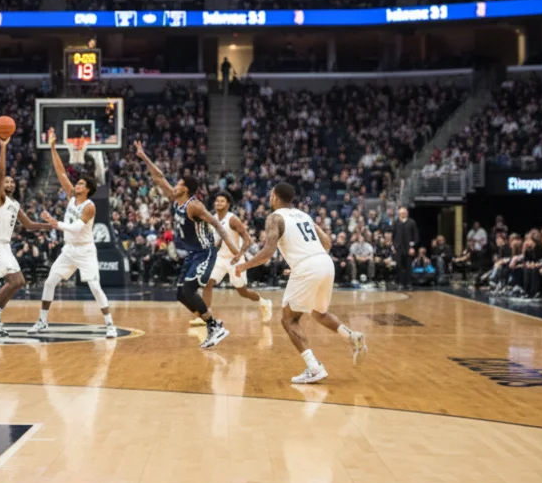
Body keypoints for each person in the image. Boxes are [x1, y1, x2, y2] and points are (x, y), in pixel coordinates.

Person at [235, 182, 368, 383]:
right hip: (325, 263)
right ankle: (351, 336)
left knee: (289, 320)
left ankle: (314, 368)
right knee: (318, 312)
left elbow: (268, 251)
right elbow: (327, 242)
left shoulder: (275, 217)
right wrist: (308, 261)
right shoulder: (304, 215)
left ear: (274, 197)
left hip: (308, 267)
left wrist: (245, 266)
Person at [135, 140, 238, 349]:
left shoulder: (195, 206)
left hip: (204, 252)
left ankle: (213, 326)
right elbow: (159, 178)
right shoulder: (176, 200)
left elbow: (217, 225)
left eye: (179, 184)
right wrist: (143, 156)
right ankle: (213, 323)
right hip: (192, 254)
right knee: (181, 294)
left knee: (190, 290)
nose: (174, 186)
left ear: (186, 189)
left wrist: (235, 250)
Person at [30, 129, 117, 337]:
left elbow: (77, 227)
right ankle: (42, 321)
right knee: (50, 282)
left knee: (95, 286)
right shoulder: (71, 196)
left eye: (81, 183)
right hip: (69, 250)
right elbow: (61, 172)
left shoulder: (90, 206)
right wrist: (52, 147)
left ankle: (110, 325)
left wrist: (56, 223)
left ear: (87, 189)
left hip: (85, 251)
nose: (76, 184)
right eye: (77, 183)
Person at [0, 133, 54, 338]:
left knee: (19, 282)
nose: (10, 183)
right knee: (13, 281)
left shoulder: (15, 204)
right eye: (7, 181)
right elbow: (0, 172)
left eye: (12, 182)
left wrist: (49, 226)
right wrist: (3, 147)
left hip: (4, 246)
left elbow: (28, 225)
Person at [196, 190, 272, 324]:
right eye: (217, 201)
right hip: (220, 258)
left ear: (228, 204)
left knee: (243, 292)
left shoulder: (232, 219)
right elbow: (215, 241)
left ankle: (264, 302)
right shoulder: (212, 219)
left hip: (235, 259)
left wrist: (239, 254)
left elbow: (248, 239)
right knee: (207, 282)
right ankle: (206, 315)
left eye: (222, 201)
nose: (218, 203)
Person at [391, 207, 420, 289]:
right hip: (399, 248)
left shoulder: (411, 222)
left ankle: (409, 283)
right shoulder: (396, 223)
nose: (402, 214)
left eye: (404, 213)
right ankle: (400, 283)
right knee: (399, 266)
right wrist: (394, 246)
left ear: (407, 213)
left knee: (408, 266)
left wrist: (412, 247)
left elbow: (416, 236)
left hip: (408, 248)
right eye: (400, 213)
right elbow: (393, 236)